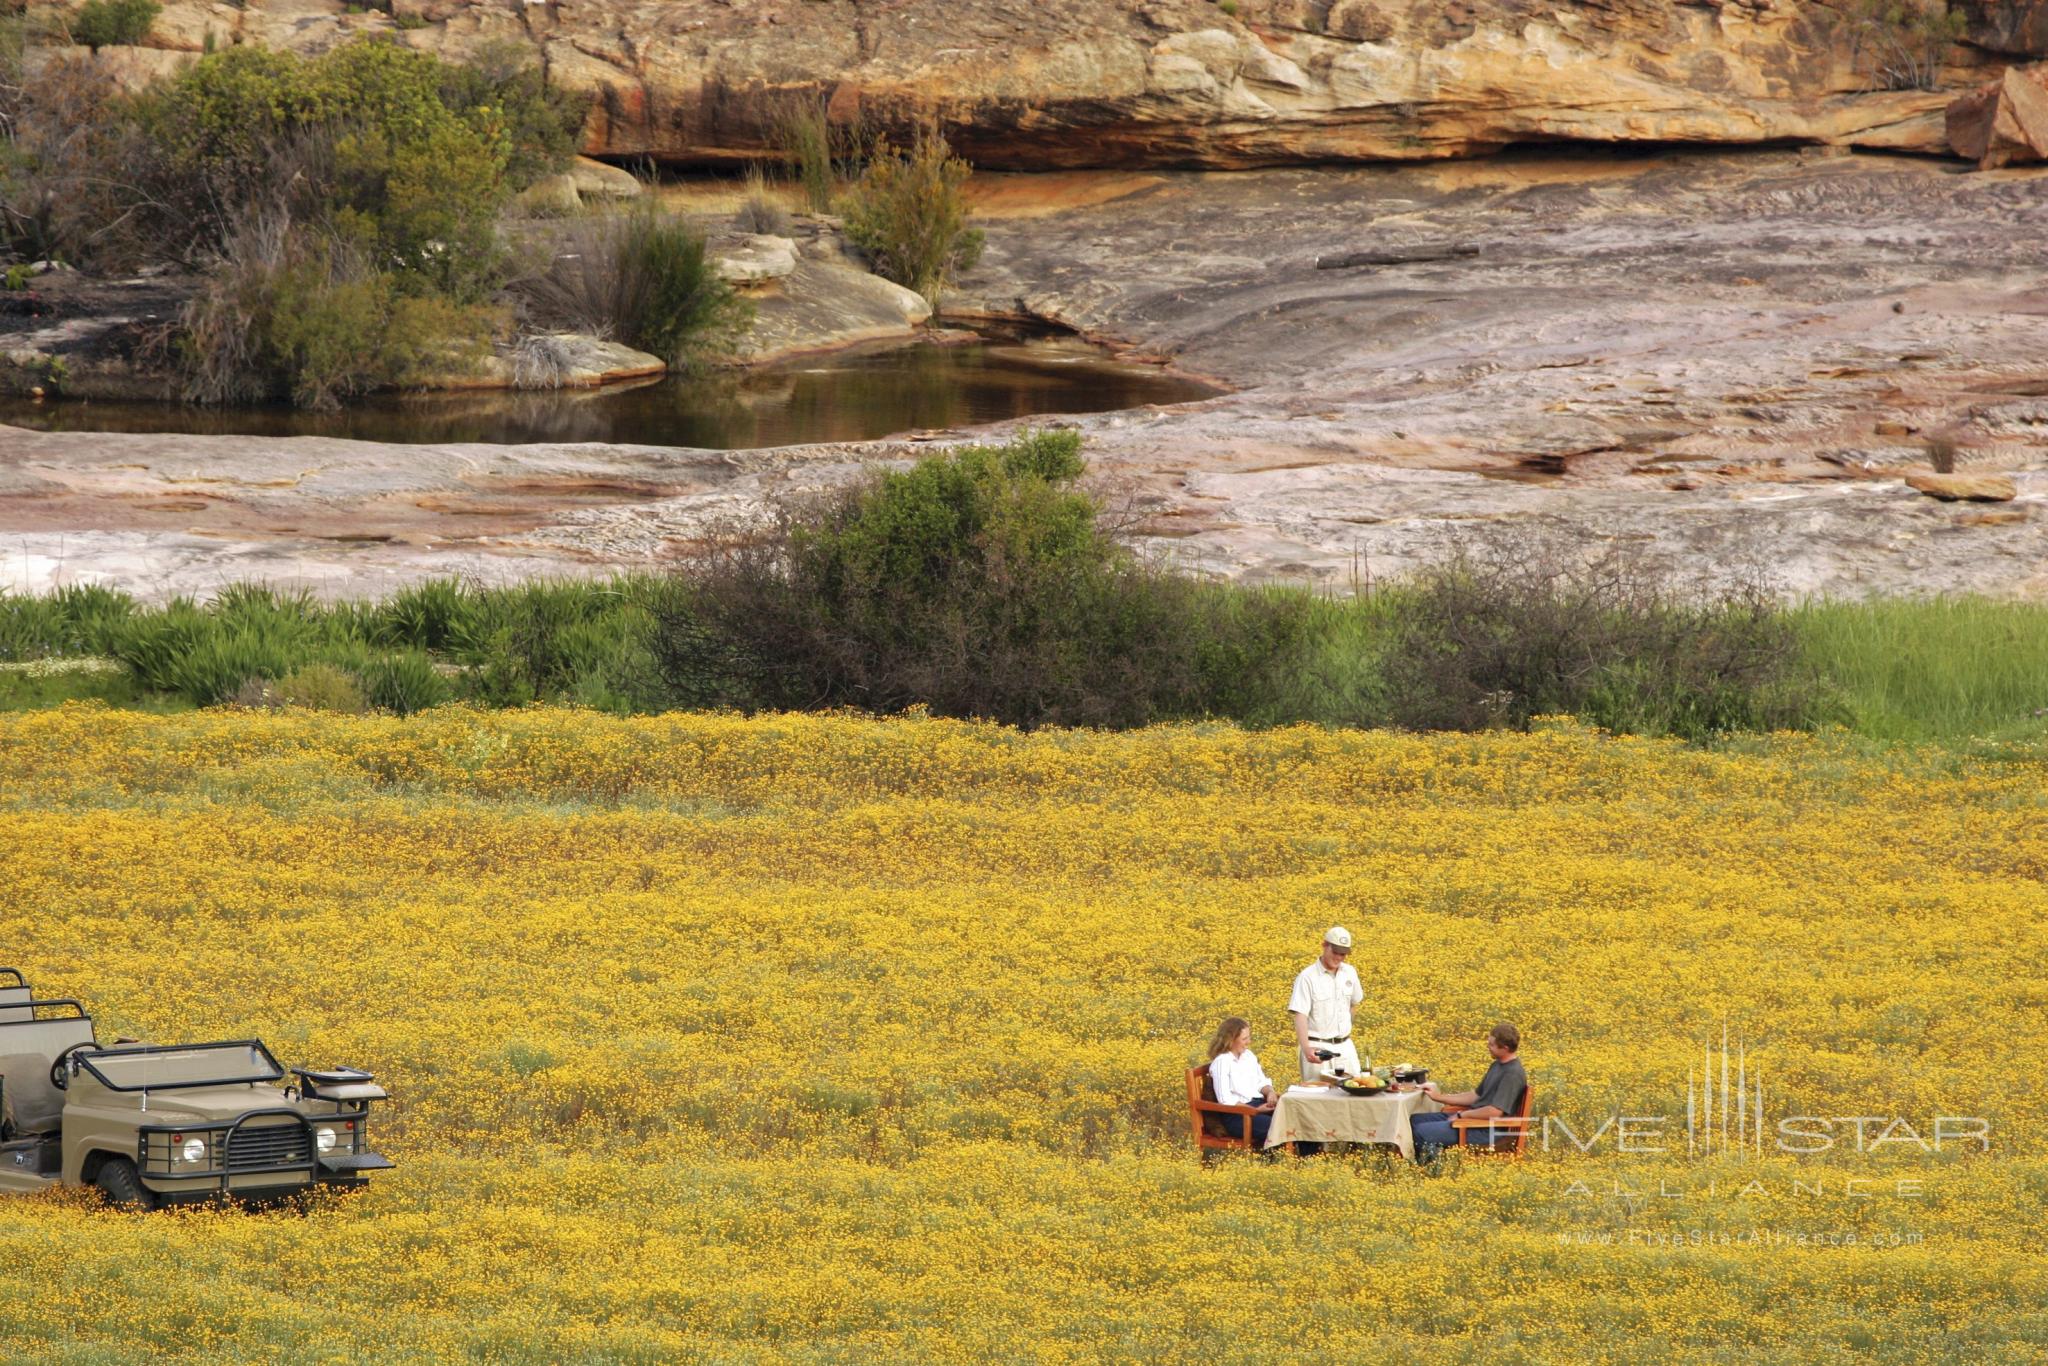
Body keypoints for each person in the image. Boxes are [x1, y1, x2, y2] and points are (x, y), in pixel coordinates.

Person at [1409, 1022, 1527, 1162]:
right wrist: (1438, 1097)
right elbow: (1475, 1096)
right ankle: (1429, 1160)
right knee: (1414, 1120)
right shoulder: (1497, 1065)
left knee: (1421, 1132)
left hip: (1487, 1130)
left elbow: (1494, 1112)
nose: (1488, 1047)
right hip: (1474, 1120)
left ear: (1505, 1048)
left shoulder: (1512, 1074)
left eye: (1491, 1045)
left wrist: (1461, 1115)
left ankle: (1431, 1169)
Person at [1288, 926, 1363, 1083]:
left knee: (1356, 1091)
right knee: (1319, 1098)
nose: (1338, 958)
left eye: (1342, 954)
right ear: (1324, 945)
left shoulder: (1350, 972)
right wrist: (1306, 1048)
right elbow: (1300, 1014)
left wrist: (1345, 1029)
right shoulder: (1307, 977)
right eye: (1335, 952)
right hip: (1318, 1047)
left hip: (1345, 1046)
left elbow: (1353, 1003)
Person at [1205, 1016, 1277, 1147]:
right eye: (1244, 1039)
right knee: (1281, 1126)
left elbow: (1261, 1082)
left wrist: (1270, 1092)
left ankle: (1306, 1159)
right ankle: (1290, 1161)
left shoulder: (1248, 1056)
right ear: (1231, 1040)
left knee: (1296, 1118)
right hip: (1237, 1116)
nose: (1248, 1042)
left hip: (1258, 1106)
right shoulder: (1222, 1062)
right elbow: (1225, 1100)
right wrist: (1256, 1111)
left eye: (1249, 1037)